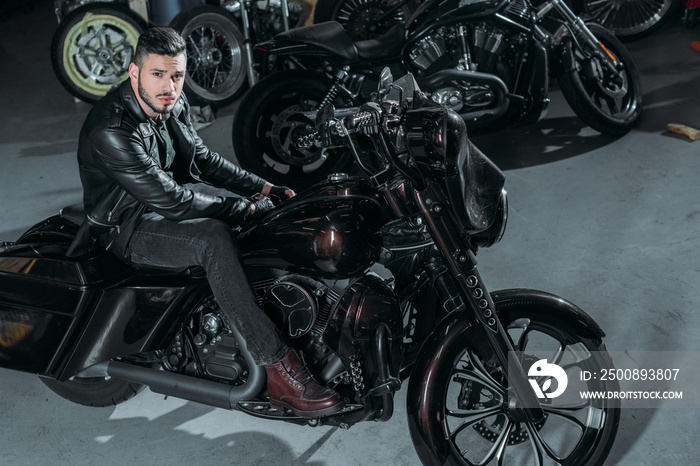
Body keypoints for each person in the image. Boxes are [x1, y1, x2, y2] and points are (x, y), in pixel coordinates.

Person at [76, 27, 342, 417]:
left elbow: (202, 161)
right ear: (134, 73)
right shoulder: (111, 131)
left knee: (264, 225)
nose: (169, 86)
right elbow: (173, 201)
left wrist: (265, 188)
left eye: (177, 75)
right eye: (158, 74)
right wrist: (244, 208)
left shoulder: (170, 102)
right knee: (213, 238)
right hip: (129, 226)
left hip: (163, 207)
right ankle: (277, 368)